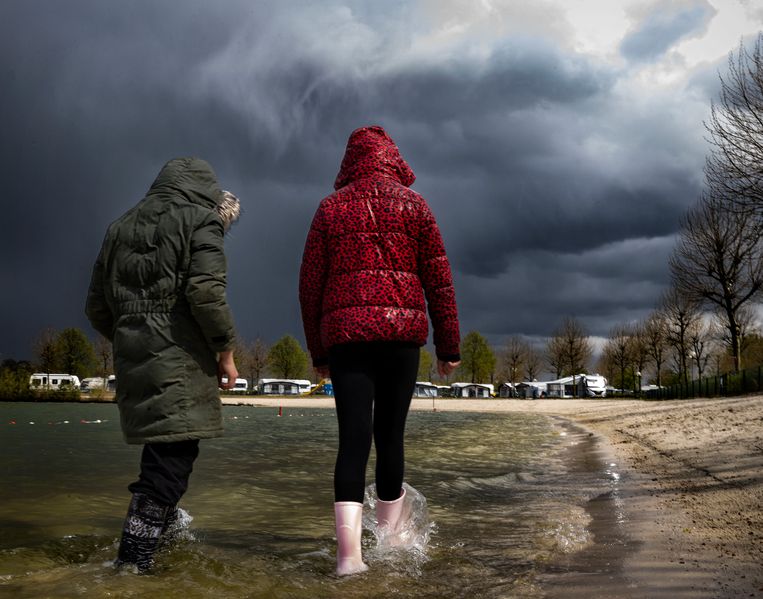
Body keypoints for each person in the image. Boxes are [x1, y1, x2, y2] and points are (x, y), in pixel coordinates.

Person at [299, 125, 461, 576]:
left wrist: (319, 353)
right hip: (401, 338)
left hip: (348, 339)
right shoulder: (416, 205)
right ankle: (392, 547)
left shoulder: (329, 210)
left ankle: (349, 559)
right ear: (393, 157)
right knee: (390, 438)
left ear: (349, 162)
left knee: (352, 442)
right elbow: (439, 279)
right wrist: (448, 346)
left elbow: (309, 289)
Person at [85, 157, 241, 572]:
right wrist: (225, 352)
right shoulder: (201, 221)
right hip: (181, 361)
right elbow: (206, 294)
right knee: (171, 460)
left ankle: (167, 538)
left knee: (163, 453)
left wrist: (133, 338)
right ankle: (132, 562)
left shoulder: (119, 227)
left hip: (136, 359)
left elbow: (96, 307)